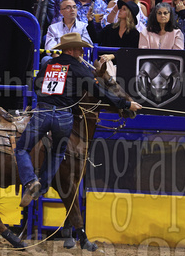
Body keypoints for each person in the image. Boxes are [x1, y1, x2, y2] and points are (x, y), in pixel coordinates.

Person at [16, 33, 142, 208]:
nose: (82, 52)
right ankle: (41, 187)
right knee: (58, 153)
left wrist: (47, 99)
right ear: (70, 50)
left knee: (22, 148)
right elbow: (100, 93)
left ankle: (31, 181)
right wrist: (126, 104)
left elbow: (37, 84)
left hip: (43, 113)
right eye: (79, 48)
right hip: (64, 117)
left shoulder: (49, 64)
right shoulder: (80, 69)